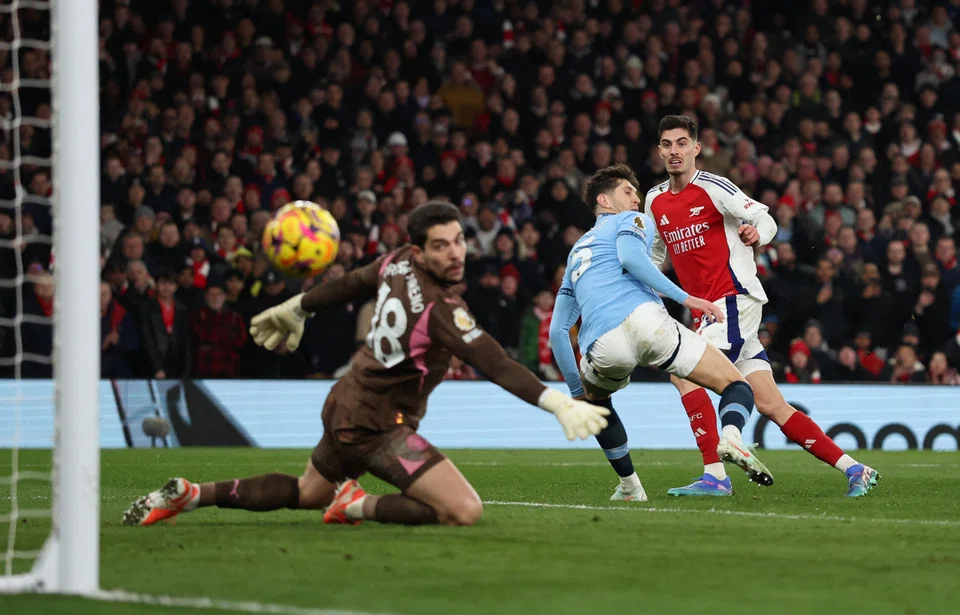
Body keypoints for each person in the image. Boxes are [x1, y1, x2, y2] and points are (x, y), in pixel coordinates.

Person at [122, 202, 609, 528]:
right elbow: (495, 362)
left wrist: (299, 307)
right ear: (421, 250)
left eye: (459, 240)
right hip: (380, 426)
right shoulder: (441, 308)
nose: (456, 252)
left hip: (345, 404)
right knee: (463, 509)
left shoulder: (396, 262)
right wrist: (556, 404)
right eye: (442, 245)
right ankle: (359, 504)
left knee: (307, 491)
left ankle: (192, 493)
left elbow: (352, 283)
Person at [647, 115, 879, 497]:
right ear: (659, 150)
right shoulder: (654, 199)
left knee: (683, 372)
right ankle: (856, 469)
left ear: (696, 148)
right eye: (668, 144)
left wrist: (758, 234)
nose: (675, 151)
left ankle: (719, 469)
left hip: (734, 299)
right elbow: (656, 253)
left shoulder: (714, 187)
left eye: (682, 143)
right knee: (772, 404)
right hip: (709, 311)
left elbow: (763, 217)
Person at [549, 164, 757, 500]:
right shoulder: (632, 220)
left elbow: (557, 331)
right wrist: (686, 297)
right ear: (605, 200)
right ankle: (731, 434)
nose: (637, 197)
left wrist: (576, 391)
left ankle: (630, 486)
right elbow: (631, 259)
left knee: (598, 401)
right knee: (735, 384)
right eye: (627, 191)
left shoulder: (575, 254)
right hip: (648, 323)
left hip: (602, 345)